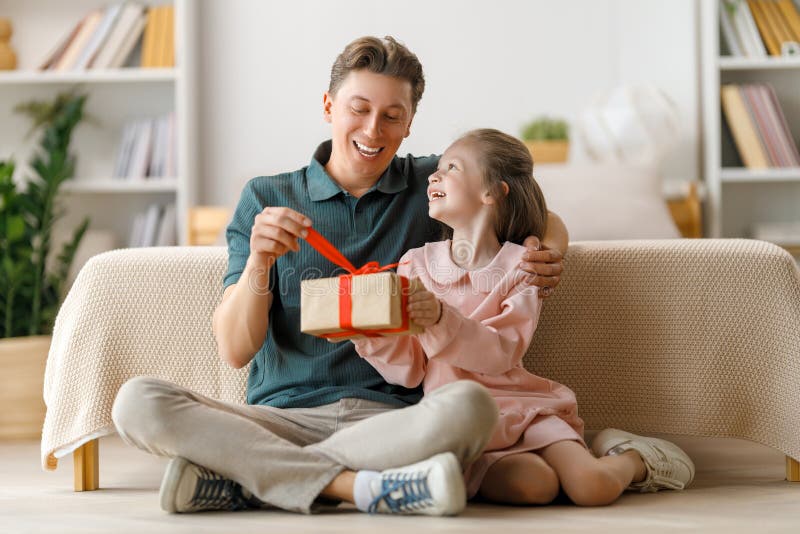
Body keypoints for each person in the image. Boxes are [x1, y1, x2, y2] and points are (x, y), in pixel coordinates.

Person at [111, 36, 567, 516]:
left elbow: (536, 209)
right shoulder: (267, 197)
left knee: (471, 407)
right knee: (137, 403)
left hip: (397, 420)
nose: (374, 129)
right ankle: (360, 489)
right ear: (329, 106)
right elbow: (234, 349)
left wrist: (547, 251)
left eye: (392, 115)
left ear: (409, 124)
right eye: (359, 108)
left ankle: (249, 479)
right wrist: (260, 261)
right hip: (279, 418)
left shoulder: (432, 185)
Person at [352, 128, 696, 506]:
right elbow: (411, 371)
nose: (434, 175)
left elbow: (502, 352)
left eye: (452, 167)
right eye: (438, 168)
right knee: (537, 487)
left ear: (493, 192)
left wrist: (439, 318)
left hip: (527, 408)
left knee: (591, 488)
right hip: (465, 424)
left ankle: (633, 457)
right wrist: (371, 337)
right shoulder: (415, 266)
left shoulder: (523, 267)